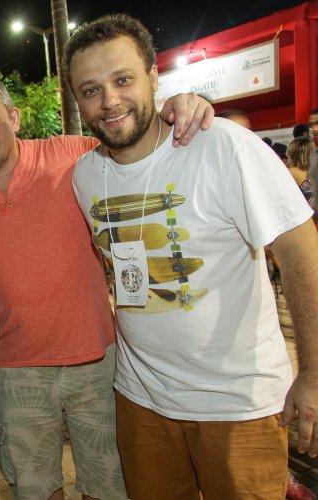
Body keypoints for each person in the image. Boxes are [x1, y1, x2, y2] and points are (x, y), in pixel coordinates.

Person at [64, 13, 318, 499]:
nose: (109, 101)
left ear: (154, 77)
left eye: (123, 80)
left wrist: (313, 374)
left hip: (236, 406)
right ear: (77, 99)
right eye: (90, 89)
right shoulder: (84, 176)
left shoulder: (222, 146)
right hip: (142, 402)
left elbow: (302, 252)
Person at [0, 75, 212, 499]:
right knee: (35, 491)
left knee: (107, 488)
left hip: (98, 363)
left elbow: (137, 145)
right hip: (17, 372)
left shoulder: (72, 154)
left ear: (13, 118)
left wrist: (177, 106)